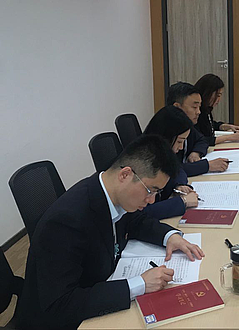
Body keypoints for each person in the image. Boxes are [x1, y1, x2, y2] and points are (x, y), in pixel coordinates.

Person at [14, 135, 204, 330]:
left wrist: (170, 236)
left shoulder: (110, 192)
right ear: (125, 175)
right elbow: (61, 305)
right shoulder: (66, 221)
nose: (152, 200)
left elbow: (136, 221)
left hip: (99, 285)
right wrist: (139, 284)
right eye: (150, 190)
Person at [142, 105, 200, 219]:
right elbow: (141, 214)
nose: (181, 147)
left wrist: (179, 185)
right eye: (179, 141)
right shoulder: (143, 163)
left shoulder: (162, 155)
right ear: (166, 137)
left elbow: (178, 169)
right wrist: (183, 202)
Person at [167, 82, 229, 174]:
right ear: (177, 107)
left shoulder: (186, 126)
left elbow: (202, 140)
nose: (198, 112)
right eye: (194, 107)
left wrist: (196, 152)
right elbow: (169, 170)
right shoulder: (164, 131)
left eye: (199, 107)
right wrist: (206, 166)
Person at [194, 73, 239, 146]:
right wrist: (229, 137)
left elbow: (209, 126)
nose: (219, 99)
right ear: (207, 93)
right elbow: (201, 140)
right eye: (217, 95)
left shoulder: (206, 108)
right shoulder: (195, 112)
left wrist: (225, 126)